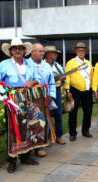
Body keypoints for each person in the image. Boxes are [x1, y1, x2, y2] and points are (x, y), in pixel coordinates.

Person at [0, 37, 40, 173]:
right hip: (11, 100)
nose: (18, 50)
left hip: (27, 98)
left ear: (24, 50)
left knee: (27, 127)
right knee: (13, 129)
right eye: (15, 48)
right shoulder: (4, 64)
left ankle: (26, 156)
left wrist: (32, 82)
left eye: (20, 48)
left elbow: (37, 79)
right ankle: (12, 159)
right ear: (11, 51)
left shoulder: (30, 64)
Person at [28, 43, 56, 157]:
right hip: (31, 99)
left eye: (43, 51)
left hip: (46, 98)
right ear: (32, 52)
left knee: (43, 122)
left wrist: (52, 95)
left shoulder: (46, 65)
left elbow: (52, 81)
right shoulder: (27, 64)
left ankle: (40, 145)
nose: (42, 53)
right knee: (32, 123)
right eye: (39, 51)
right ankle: (31, 146)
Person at [64, 42, 94, 141]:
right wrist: (67, 90)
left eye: (83, 50)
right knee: (73, 112)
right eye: (79, 50)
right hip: (74, 90)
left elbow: (91, 77)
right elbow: (67, 76)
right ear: (76, 51)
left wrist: (93, 89)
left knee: (88, 111)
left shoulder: (88, 63)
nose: (81, 52)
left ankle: (86, 131)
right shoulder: (71, 62)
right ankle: (72, 133)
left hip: (87, 90)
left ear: (85, 51)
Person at [44, 45, 66, 145]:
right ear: (48, 54)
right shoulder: (42, 65)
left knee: (58, 114)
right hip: (45, 92)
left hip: (56, 91)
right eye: (54, 53)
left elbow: (63, 78)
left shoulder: (57, 65)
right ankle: (47, 137)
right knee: (45, 115)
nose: (56, 55)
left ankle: (58, 136)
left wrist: (63, 79)